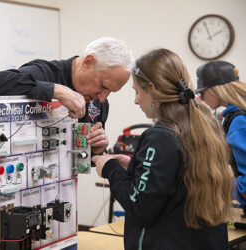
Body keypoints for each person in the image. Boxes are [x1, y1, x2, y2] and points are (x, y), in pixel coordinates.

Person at [92, 49, 233, 250]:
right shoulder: (204, 124)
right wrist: (133, 165)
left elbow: (139, 207)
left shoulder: (160, 136)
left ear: (152, 88)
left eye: (137, 92)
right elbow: (178, 179)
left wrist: (111, 169)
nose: (136, 100)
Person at [0, 37, 134, 154]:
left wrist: (96, 149)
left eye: (110, 92)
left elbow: (82, 157)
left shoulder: (98, 102)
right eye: (103, 86)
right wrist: (56, 91)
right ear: (88, 62)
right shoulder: (45, 73)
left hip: (59, 190)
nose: (102, 98)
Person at [196, 61, 246, 206]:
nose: (201, 98)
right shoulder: (238, 115)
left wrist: (218, 188)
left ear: (214, 90)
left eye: (201, 92)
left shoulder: (239, 121)